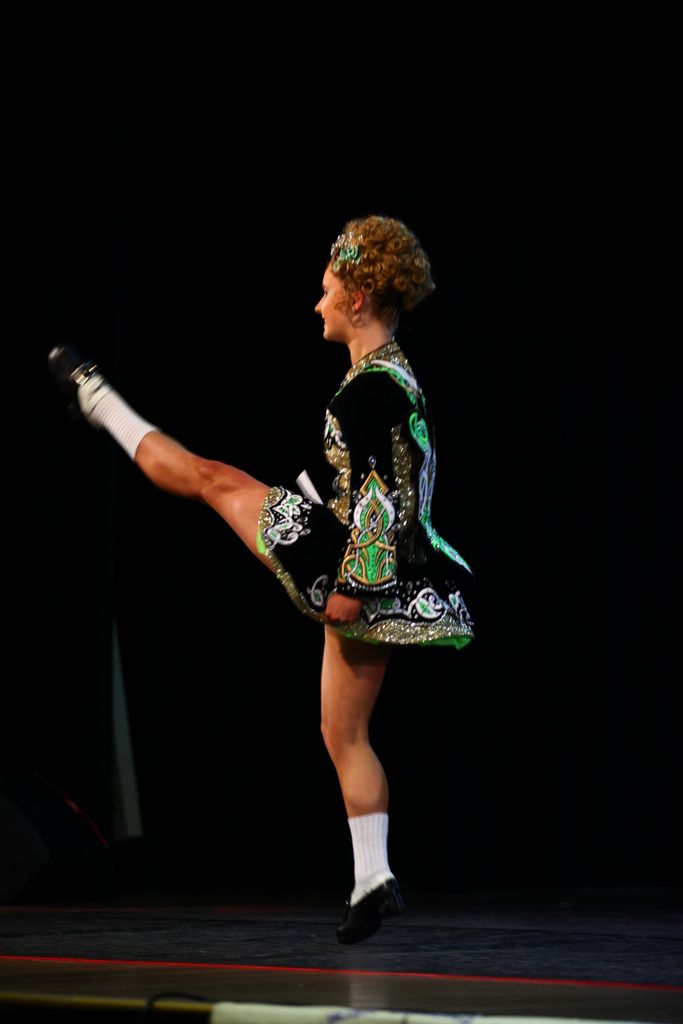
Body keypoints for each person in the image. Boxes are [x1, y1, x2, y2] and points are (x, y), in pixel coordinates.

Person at [48, 213, 476, 943]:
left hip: (360, 569)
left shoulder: (367, 391)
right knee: (343, 732)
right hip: (390, 568)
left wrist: (353, 587)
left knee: (211, 480)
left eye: (326, 291)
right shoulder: (392, 375)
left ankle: (99, 402)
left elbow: (378, 497)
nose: (316, 304)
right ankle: (372, 876)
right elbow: (372, 483)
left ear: (358, 299)